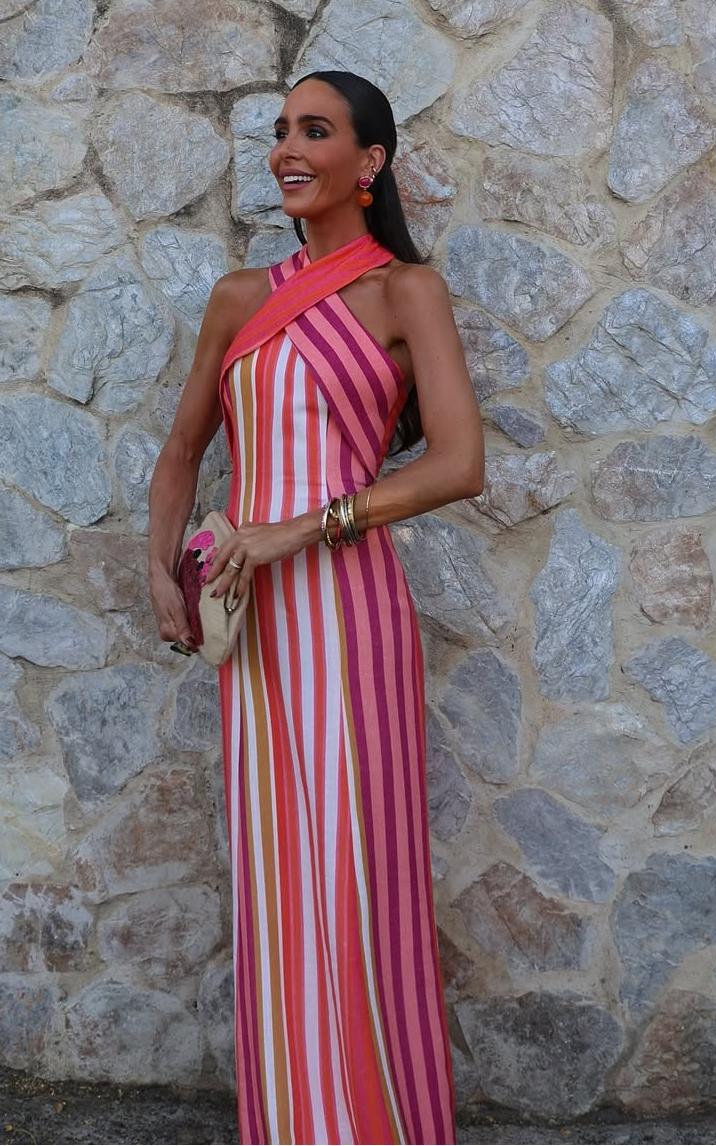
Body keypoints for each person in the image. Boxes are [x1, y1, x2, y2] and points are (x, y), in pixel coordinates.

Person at [148, 69, 484, 1146]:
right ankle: (293, 1122)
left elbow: (459, 464)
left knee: (357, 868)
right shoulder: (239, 296)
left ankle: (382, 1123)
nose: (288, 148)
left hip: (350, 614)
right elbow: (184, 449)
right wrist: (161, 570)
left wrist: (303, 527)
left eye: (316, 130)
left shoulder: (406, 293)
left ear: (368, 162)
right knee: (277, 875)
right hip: (251, 627)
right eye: (281, 129)